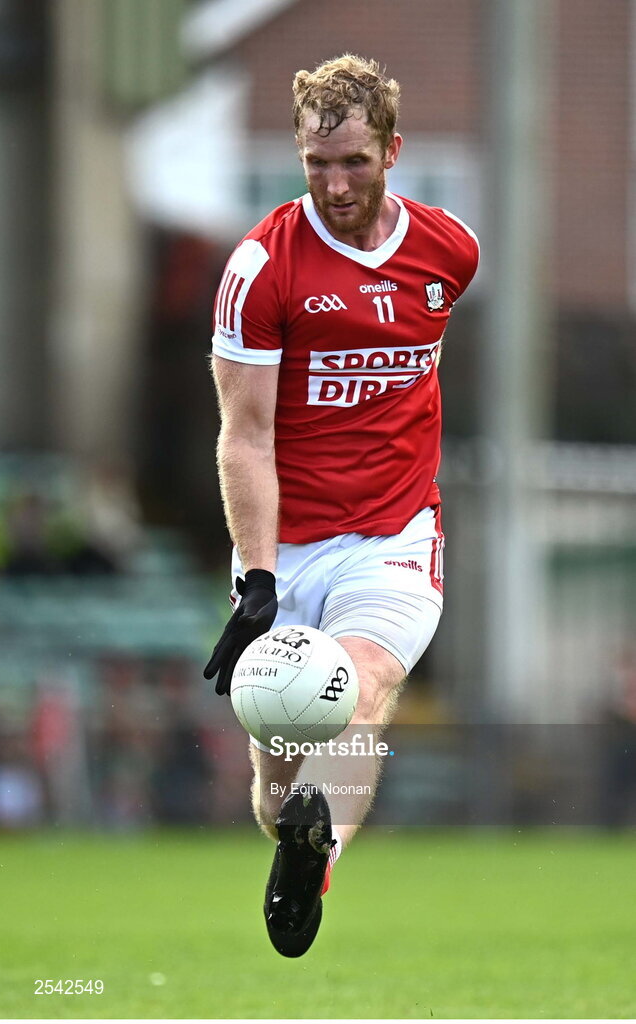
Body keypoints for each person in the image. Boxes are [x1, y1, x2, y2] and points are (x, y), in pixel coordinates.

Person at [203, 54, 479, 957]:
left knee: (360, 694)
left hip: (396, 534)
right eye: (317, 163)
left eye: (354, 161)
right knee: (277, 774)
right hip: (287, 548)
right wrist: (256, 580)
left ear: (393, 151)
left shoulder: (450, 252)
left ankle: (319, 855)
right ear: (298, 155)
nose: (335, 182)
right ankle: (297, 839)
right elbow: (243, 434)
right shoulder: (261, 270)